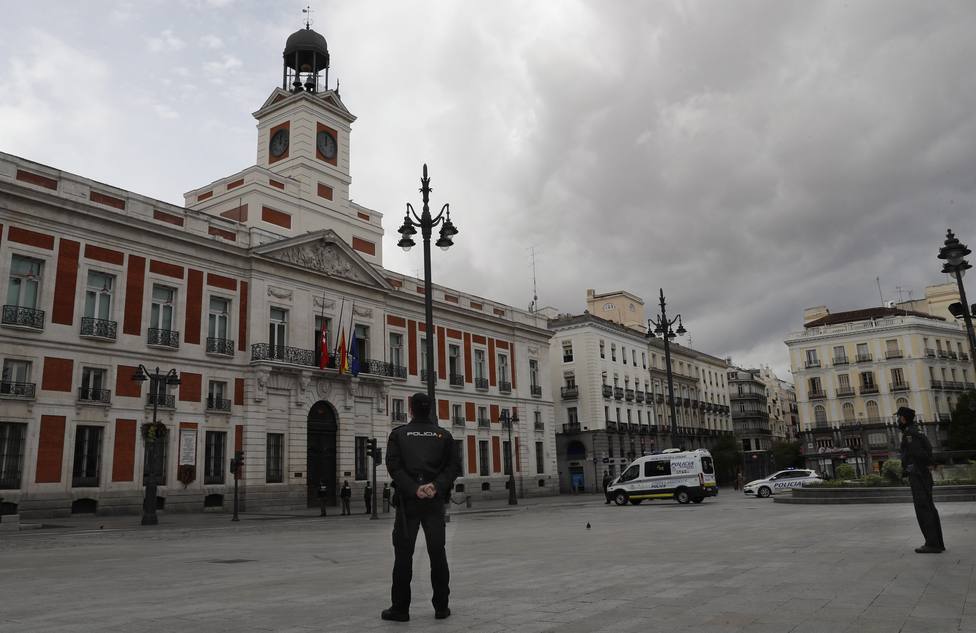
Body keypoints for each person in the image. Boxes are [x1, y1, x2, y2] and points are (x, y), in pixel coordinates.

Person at [382, 392, 461, 623]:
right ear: (431, 409)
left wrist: (413, 488)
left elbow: (393, 465)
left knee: (403, 556)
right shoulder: (444, 436)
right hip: (434, 503)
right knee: (438, 553)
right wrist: (435, 486)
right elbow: (453, 467)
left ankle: (400, 609)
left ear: (410, 408)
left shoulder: (399, 434)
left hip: (408, 505)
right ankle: (441, 607)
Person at [898, 406, 945, 553]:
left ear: (904, 418)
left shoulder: (910, 434)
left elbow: (918, 453)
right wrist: (931, 464)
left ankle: (932, 544)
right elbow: (927, 449)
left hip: (918, 474)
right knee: (929, 507)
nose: (898, 420)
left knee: (923, 508)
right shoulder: (918, 431)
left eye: (899, 417)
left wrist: (931, 464)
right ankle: (937, 543)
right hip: (923, 473)